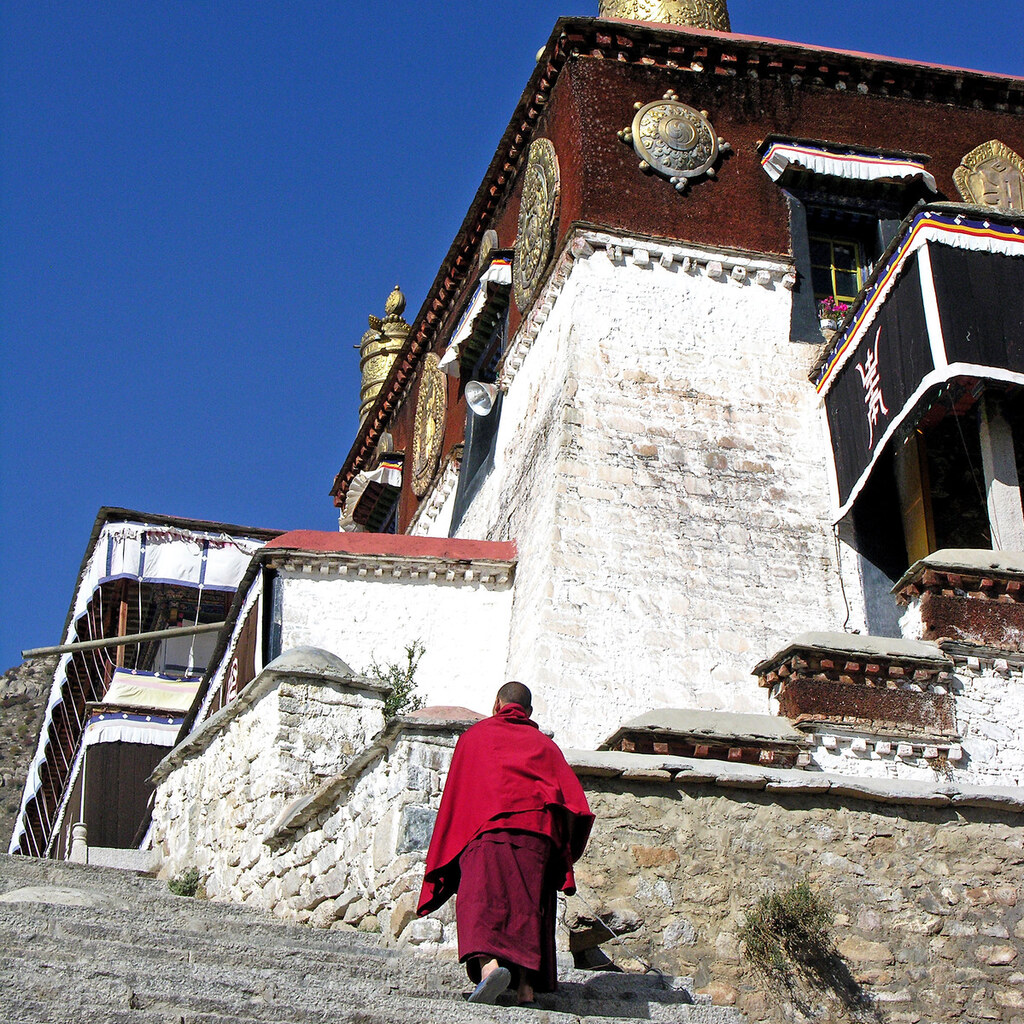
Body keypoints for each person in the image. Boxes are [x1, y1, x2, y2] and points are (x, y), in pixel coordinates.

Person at [417, 681, 593, 1006]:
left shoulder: (475, 738)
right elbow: (572, 802)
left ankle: (490, 969)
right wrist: (561, 850)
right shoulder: (546, 747)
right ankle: (525, 987)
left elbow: (458, 795)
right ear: (529, 711)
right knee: (529, 906)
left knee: (479, 901)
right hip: (536, 837)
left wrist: (449, 846)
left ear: (497, 704)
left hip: (487, 833)